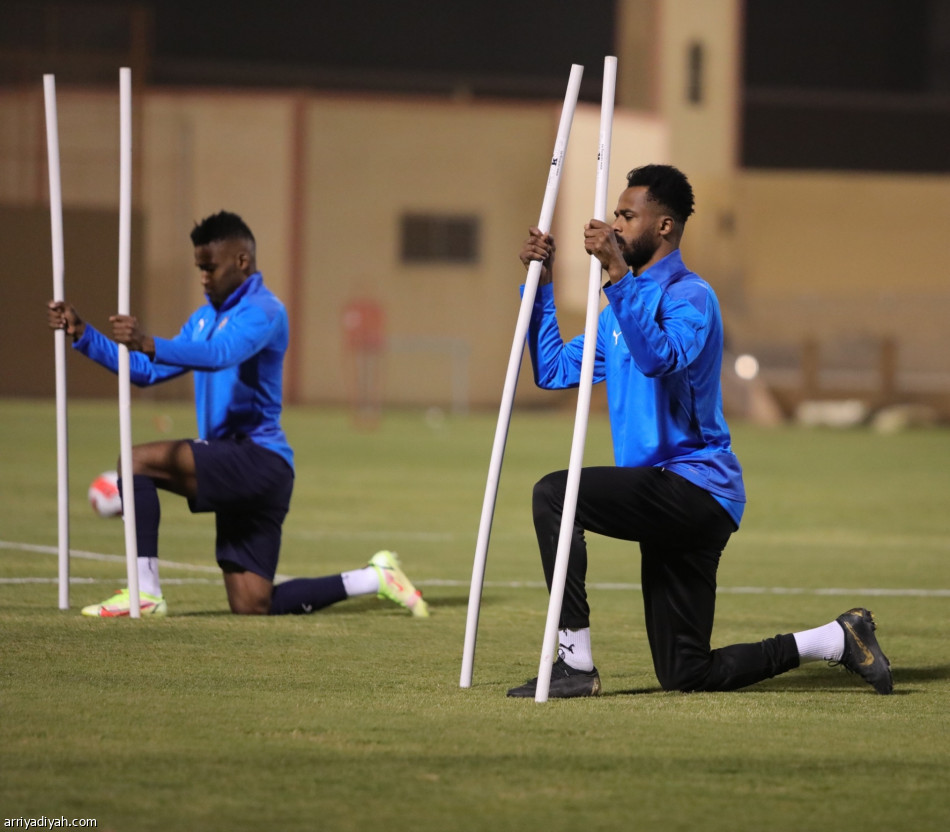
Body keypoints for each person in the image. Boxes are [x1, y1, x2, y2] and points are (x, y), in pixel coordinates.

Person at [506, 165, 891, 698]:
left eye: (626, 215)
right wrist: (542, 290)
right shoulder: (619, 306)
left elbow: (659, 358)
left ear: (663, 226)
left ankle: (574, 663)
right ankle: (835, 639)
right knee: (687, 673)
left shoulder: (692, 297)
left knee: (557, 494)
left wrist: (618, 275)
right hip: (662, 497)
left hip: (696, 487)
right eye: (615, 214)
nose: (614, 225)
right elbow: (551, 369)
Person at [47, 210, 429, 620]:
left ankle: (145, 591)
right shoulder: (203, 319)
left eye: (210, 267)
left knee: (135, 461)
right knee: (252, 603)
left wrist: (149, 341)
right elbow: (145, 372)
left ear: (242, 261)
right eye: (199, 269)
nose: (204, 278)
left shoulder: (264, 312)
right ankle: (376, 578)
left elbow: (220, 355)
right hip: (238, 463)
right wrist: (85, 336)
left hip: (258, 458)